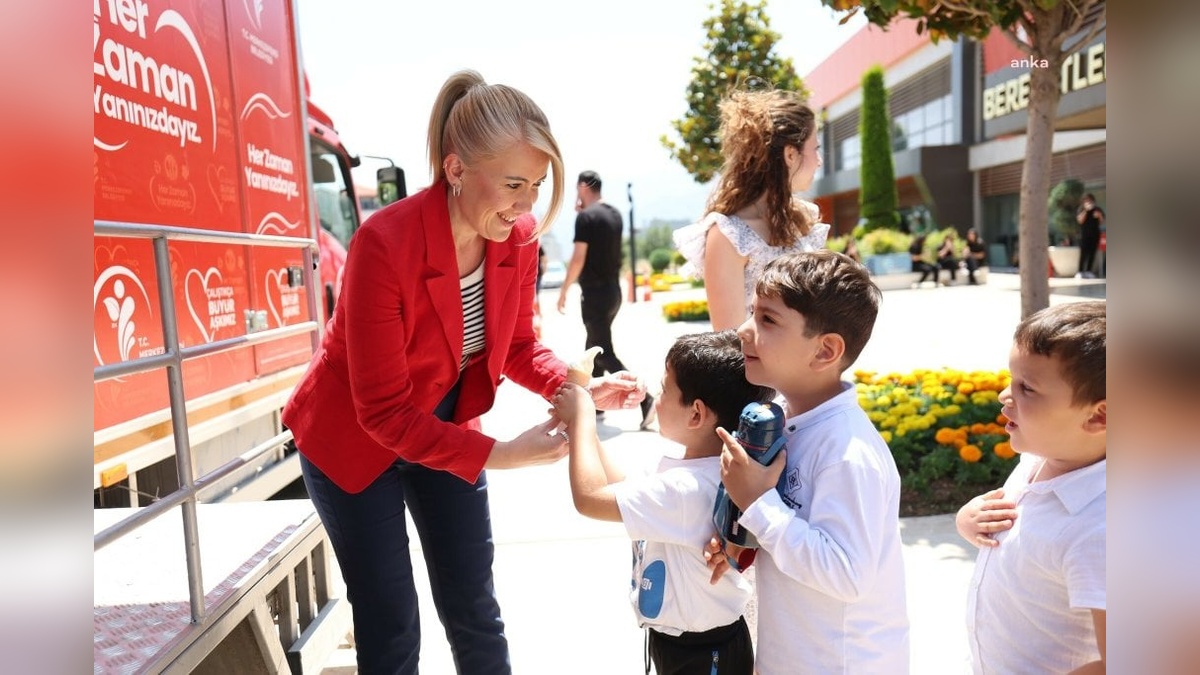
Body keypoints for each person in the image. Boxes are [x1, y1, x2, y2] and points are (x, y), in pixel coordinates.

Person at [281, 70, 646, 675]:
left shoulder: (519, 237)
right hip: (352, 439)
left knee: (474, 607)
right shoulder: (383, 243)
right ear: (455, 171)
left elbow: (518, 346)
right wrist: (503, 454)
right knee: (391, 619)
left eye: (536, 184)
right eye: (512, 184)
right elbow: (382, 412)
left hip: (445, 425)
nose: (527, 204)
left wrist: (574, 386)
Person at [713, 250, 910, 673]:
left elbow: (847, 574)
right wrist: (738, 543)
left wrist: (759, 504)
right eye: (752, 313)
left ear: (825, 352)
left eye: (768, 319)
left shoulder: (847, 453)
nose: (744, 330)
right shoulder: (787, 419)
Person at [551, 331, 776, 674]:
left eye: (665, 389)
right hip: (685, 640)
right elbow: (619, 488)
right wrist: (583, 421)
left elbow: (590, 498)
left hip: (704, 652)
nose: (657, 397)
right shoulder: (691, 471)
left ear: (696, 415)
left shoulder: (687, 489)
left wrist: (582, 417)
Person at [955, 301, 1106, 674]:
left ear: (1099, 415)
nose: (1005, 397)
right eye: (1011, 380)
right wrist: (968, 520)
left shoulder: (1103, 528)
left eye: (1027, 388)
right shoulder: (1041, 460)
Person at [672, 88, 830, 331]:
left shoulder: (804, 219)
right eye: (816, 148)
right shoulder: (729, 235)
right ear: (790, 154)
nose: (819, 160)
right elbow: (729, 342)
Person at [557, 170, 656, 429]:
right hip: (614, 291)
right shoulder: (613, 214)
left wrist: (565, 288)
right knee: (594, 346)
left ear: (582, 187)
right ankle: (593, 406)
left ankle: (646, 399)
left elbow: (579, 257)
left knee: (603, 350)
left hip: (594, 293)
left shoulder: (586, 218)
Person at [1076, 194, 1105, 276]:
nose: (1088, 202)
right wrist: (1086, 210)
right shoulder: (1081, 209)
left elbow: (1102, 221)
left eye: (1090, 200)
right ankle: (1080, 271)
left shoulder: (1097, 209)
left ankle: (1089, 271)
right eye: (1086, 200)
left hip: (1095, 234)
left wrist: (1099, 216)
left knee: (1092, 253)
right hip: (1084, 234)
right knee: (1083, 253)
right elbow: (1080, 221)